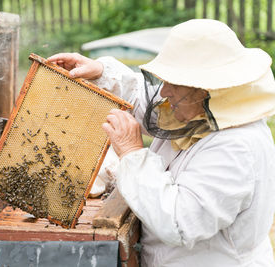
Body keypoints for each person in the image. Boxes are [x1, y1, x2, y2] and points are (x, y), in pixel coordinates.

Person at [48, 19, 275, 266]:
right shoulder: (201, 107)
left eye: (174, 83)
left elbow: (179, 222)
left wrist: (133, 153)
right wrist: (102, 73)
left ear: (208, 88)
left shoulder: (236, 147)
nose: (164, 91)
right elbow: (146, 100)